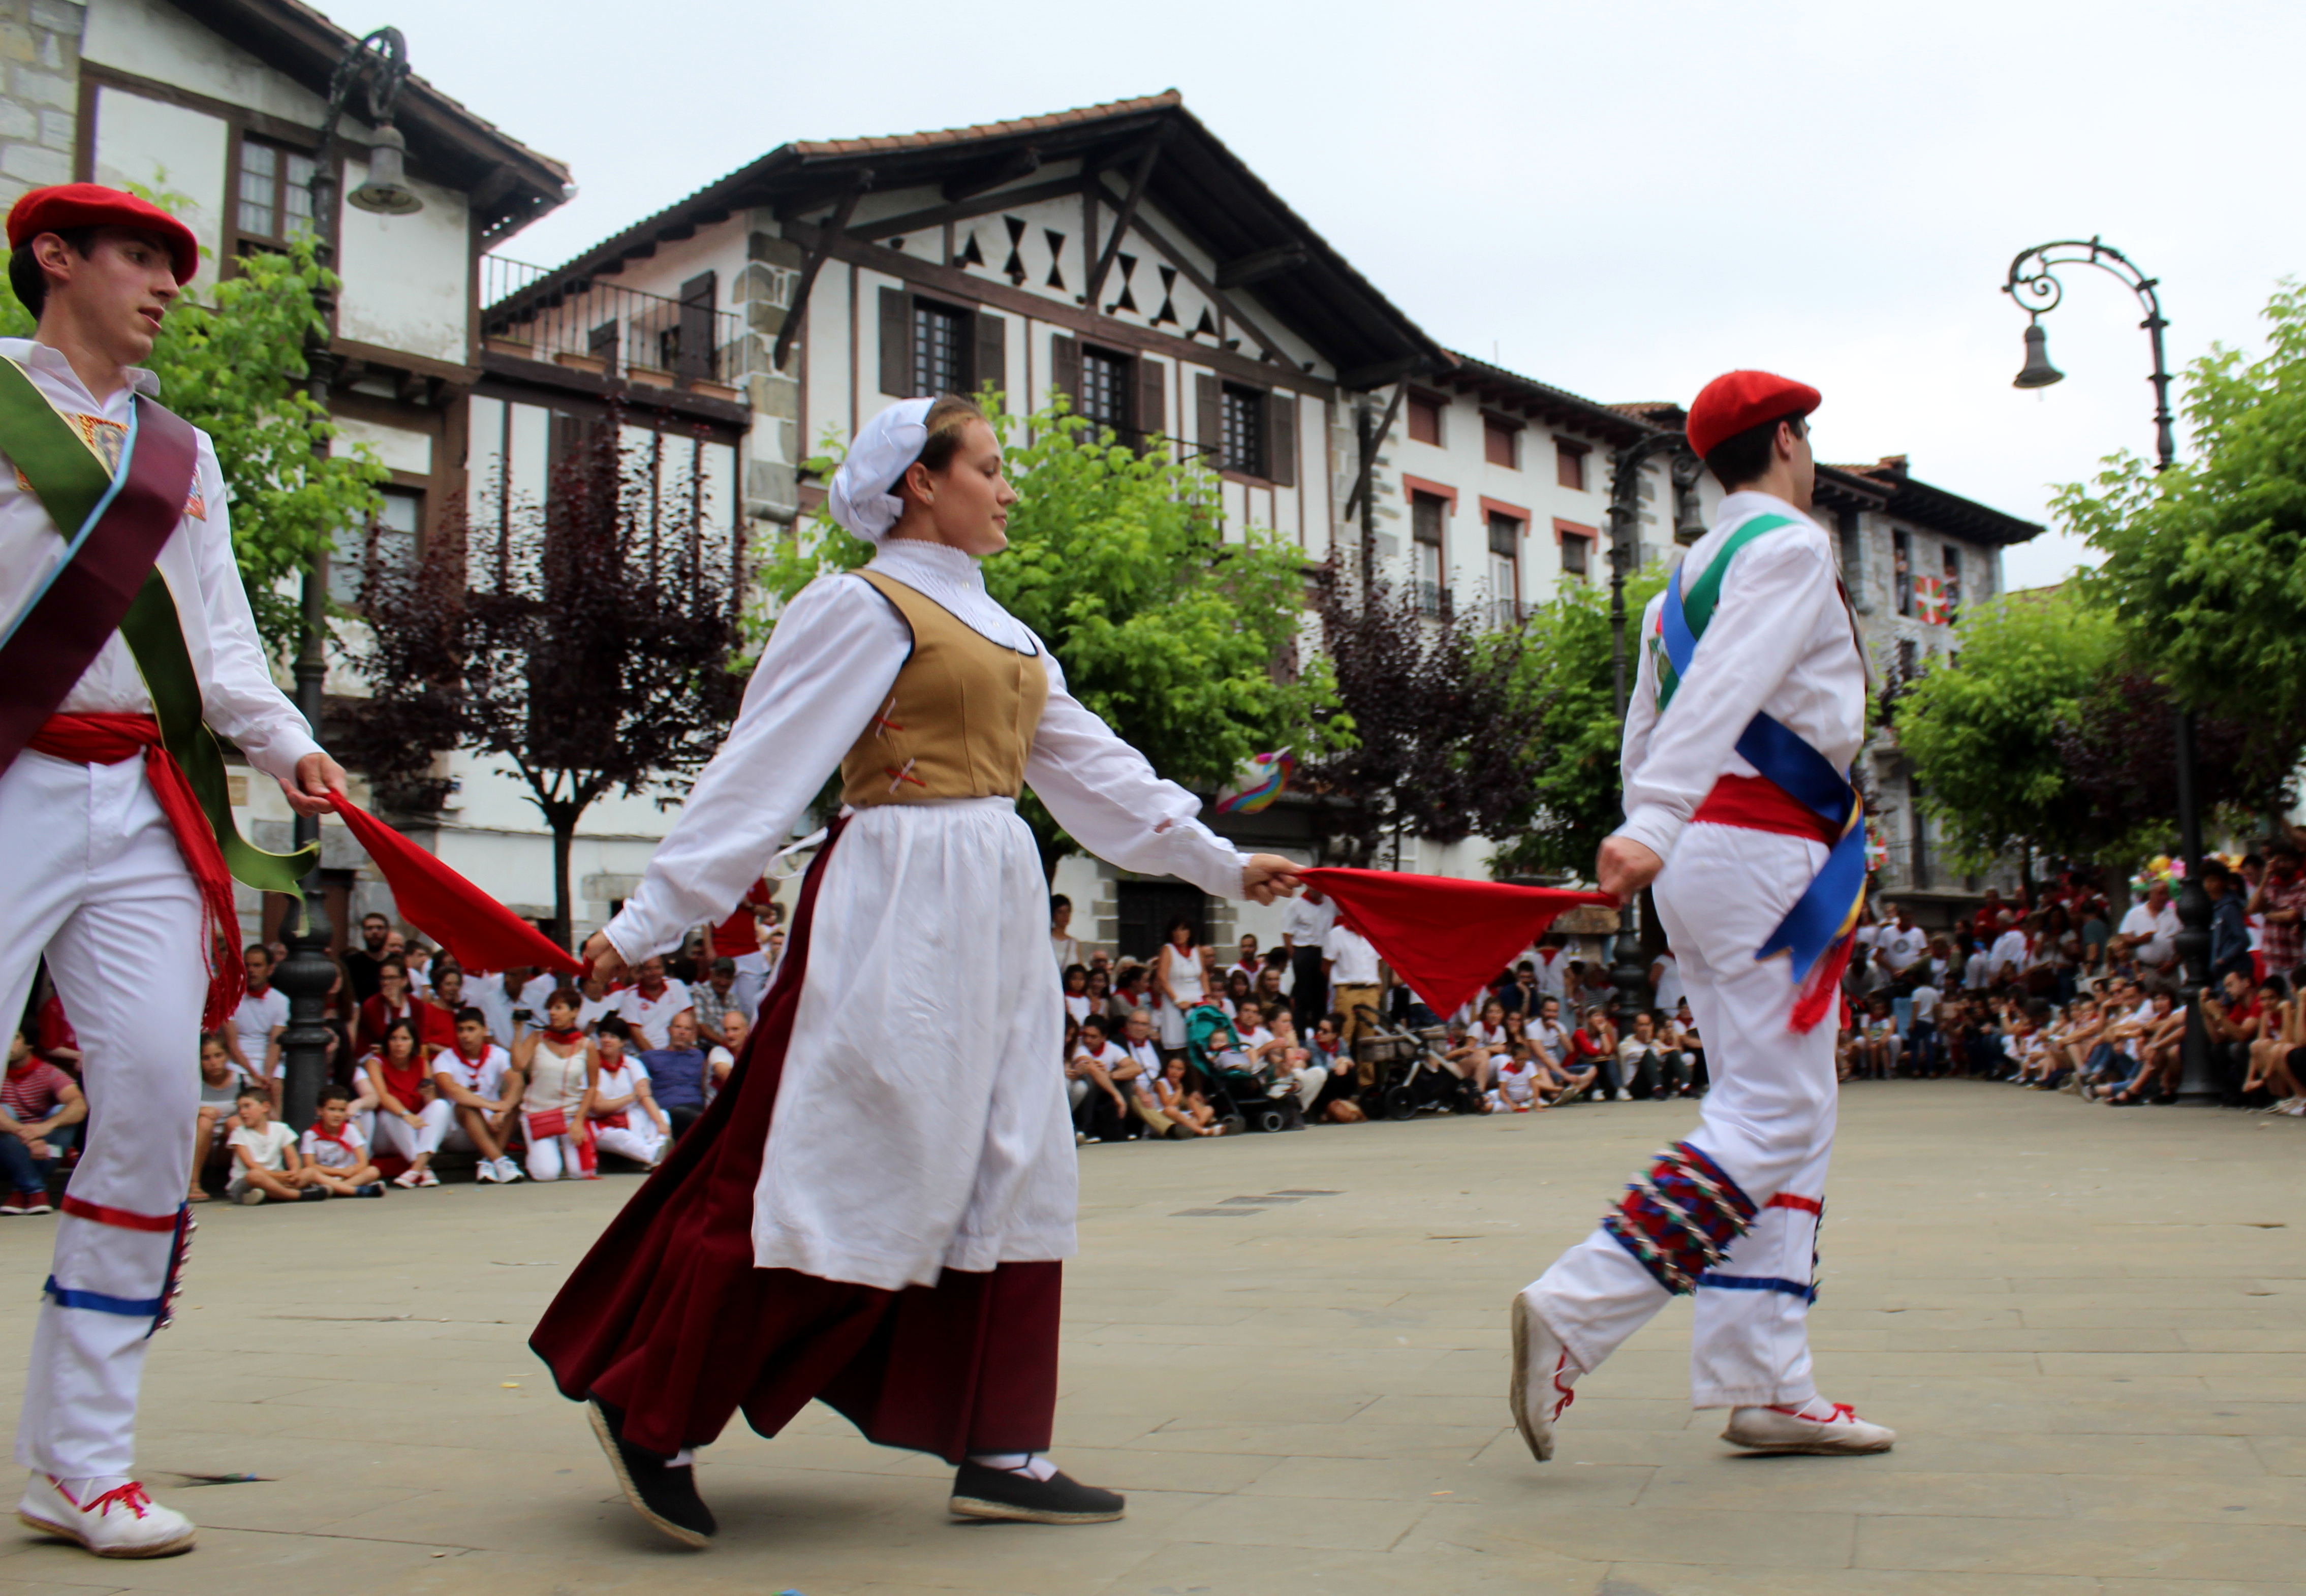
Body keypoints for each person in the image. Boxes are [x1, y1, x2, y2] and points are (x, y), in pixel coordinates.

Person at [531, 393, 1302, 1545]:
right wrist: (648, 921)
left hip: (994, 904)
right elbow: (758, 773)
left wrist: (1225, 863)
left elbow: (1100, 774)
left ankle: (1003, 1444)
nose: (1007, 487)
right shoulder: (860, 606)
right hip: (893, 896)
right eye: (986, 466)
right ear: (920, 484)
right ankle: (657, 1410)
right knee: (841, 1154)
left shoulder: (1007, 633)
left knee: (1016, 1155)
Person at [0, 184, 369, 1558]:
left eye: (173, 264)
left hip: (142, 800)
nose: (167, 284)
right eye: (139, 258)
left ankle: (82, 1463)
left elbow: (222, 649)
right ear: (54, 257)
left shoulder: (182, 450)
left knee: (158, 1098)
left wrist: (289, 743)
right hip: (8, 777)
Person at [1511, 371, 1894, 1468]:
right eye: (1806, 439)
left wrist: (1654, 825)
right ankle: (1576, 1306)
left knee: (1775, 1110)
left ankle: (1764, 1382)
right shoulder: (1789, 548)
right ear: (1787, 441)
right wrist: (1657, 821)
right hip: (1762, 852)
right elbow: (1726, 687)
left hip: (1712, 860)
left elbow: (1650, 726)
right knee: (1776, 1112)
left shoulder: (1676, 583)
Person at [432, 1008, 525, 1185]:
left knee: (514, 1104)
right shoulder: (444, 1059)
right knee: (466, 1107)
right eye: (460, 1030)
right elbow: (454, 1091)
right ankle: (500, 1160)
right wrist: (493, 1106)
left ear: (484, 1030)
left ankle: (488, 1163)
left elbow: (518, 1082)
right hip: (458, 1132)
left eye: (471, 1029)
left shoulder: (498, 1054)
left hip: (492, 1125)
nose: (465, 1035)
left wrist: (504, 1109)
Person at [1, 1023, 84, 1214]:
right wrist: (27, 1136)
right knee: (4, 1111)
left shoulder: (48, 1073)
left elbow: (79, 1106)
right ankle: (35, 1189)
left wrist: (45, 1127)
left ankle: (24, 1189)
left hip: (45, 1153)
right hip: (6, 1154)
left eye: (15, 1038)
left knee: (62, 1111)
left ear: (29, 1043)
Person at [518, 991, 598, 1183]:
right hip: (539, 1114)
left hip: (571, 1116)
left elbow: (593, 1087)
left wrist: (579, 1121)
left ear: (574, 1012)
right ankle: (543, 1152)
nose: (552, 1013)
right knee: (547, 1174)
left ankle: (561, 1149)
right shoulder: (537, 1038)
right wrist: (517, 1031)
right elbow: (518, 1065)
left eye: (559, 1008)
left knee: (582, 1173)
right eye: (551, 1008)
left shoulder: (587, 1045)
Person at [360, 1017, 448, 1190]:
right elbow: (382, 1096)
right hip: (386, 1133)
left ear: (413, 1042)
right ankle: (423, 1168)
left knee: (441, 1106)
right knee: (389, 1114)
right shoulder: (376, 1063)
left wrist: (429, 1095)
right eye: (394, 1039)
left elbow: (430, 1106)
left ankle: (416, 1170)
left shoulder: (421, 1063)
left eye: (405, 1039)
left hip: (414, 1128)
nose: (399, 1044)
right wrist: (406, 1115)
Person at [587, 1019, 670, 1168]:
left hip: (630, 1117)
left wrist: (660, 1123)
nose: (606, 1040)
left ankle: (658, 1152)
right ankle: (655, 1155)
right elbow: (598, 1107)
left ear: (623, 1042)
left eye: (612, 1037)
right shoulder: (593, 1064)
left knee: (662, 1115)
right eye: (603, 1036)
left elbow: (645, 1096)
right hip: (601, 1124)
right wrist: (633, 1097)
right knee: (622, 1136)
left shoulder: (632, 1064)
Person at [224, 1086, 319, 1204]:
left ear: (265, 1107)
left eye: (247, 1106)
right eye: (240, 1108)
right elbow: (249, 1164)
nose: (242, 1112)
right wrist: (274, 1176)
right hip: (247, 1182)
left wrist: (294, 1173)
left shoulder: (281, 1129)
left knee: (309, 1172)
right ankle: (296, 1195)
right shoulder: (239, 1133)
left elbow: (293, 1158)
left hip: (278, 1180)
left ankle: (272, 1195)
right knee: (255, 1175)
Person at [225, 943, 288, 1107]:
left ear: (270, 969)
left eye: (257, 966)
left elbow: (275, 1044)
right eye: (247, 965)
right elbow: (232, 1044)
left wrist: (266, 1077)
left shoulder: (281, 1001)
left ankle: (277, 1122)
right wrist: (253, 1075)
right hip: (238, 1061)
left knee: (276, 1086)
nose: (251, 970)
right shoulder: (231, 998)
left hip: (267, 1060)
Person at [635, 1011, 710, 1140]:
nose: (682, 1032)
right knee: (684, 1114)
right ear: (669, 1030)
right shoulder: (650, 1057)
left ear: (693, 1034)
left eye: (687, 1029)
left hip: (696, 1108)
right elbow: (640, 1088)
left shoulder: (698, 1056)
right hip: (668, 1111)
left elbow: (706, 1084)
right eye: (678, 1027)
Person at [190, 1032, 247, 1202]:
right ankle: (193, 1184)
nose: (213, 1063)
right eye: (206, 1058)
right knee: (205, 1122)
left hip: (227, 1147)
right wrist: (198, 1111)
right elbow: (173, 1111)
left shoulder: (241, 1080)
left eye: (218, 1056)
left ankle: (245, 1180)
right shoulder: (192, 1082)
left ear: (227, 1056)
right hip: (200, 1145)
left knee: (234, 1122)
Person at [297, 1087, 384, 1198]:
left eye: (342, 1110)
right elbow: (310, 1165)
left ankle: (335, 1190)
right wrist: (341, 1172)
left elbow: (363, 1162)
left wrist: (350, 1172)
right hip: (324, 1177)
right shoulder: (311, 1135)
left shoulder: (350, 1129)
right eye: (332, 1109)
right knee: (309, 1173)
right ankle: (353, 1190)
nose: (337, 1115)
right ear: (320, 1111)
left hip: (347, 1177)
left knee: (373, 1171)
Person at [1324, 919, 1385, 1065]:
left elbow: (1379, 962)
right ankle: (1341, 1071)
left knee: (1369, 1038)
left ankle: (1367, 1077)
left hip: (1370, 990)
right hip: (1347, 989)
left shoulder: (1373, 931)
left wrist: (1379, 984)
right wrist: (1338, 982)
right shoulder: (1337, 934)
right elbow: (1326, 965)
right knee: (1344, 1035)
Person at [1283, 885, 1335, 1031]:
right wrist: (1295, 958)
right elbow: (1287, 933)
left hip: (1323, 952)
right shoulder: (1296, 906)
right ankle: (1300, 1034)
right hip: (1304, 951)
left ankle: (1320, 1032)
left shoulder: (1330, 903)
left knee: (1321, 996)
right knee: (1303, 997)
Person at [614, 956, 694, 1052]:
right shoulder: (630, 996)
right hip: (646, 1053)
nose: (654, 973)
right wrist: (655, 1057)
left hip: (679, 1050)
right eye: (648, 969)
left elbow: (690, 1019)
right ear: (640, 972)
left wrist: (692, 1046)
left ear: (664, 969)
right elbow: (636, 1035)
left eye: (658, 968)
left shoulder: (677, 985)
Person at [1154, 917, 1207, 1057]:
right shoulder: (1168, 950)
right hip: (1175, 1003)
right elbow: (1162, 977)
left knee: (1200, 1043)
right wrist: (1177, 1001)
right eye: (1176, 930)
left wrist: (1207, 997)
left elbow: (1203, 974)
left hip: (1197, 1001)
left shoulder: (1197, 950)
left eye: (1183, 930)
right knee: (1179, 1046)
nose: (1179, 933)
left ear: (1189, 932)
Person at [1049, 894, 1080, 971]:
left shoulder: (1074, 943)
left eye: (1068, 911)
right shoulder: (1047, 940)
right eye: (1060, 912)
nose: (1065, 916)